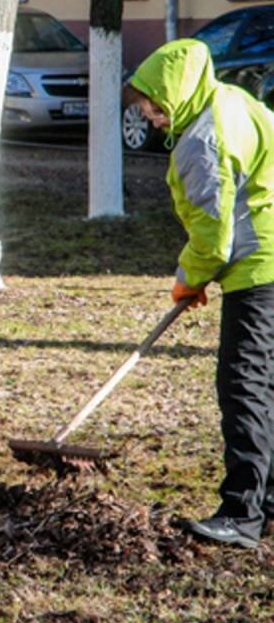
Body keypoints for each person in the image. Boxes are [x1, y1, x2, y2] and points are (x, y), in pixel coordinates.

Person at [124, 38, 274, 549]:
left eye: (155, 107)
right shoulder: (231, 100)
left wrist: (189, 278)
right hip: (265, 261)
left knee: (243, 386)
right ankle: (269, 504)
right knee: (266, 384)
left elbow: (214, 235)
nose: (152, 118)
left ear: (177, 92)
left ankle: (241, 515)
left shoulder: (203, 141)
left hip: (259, 269)